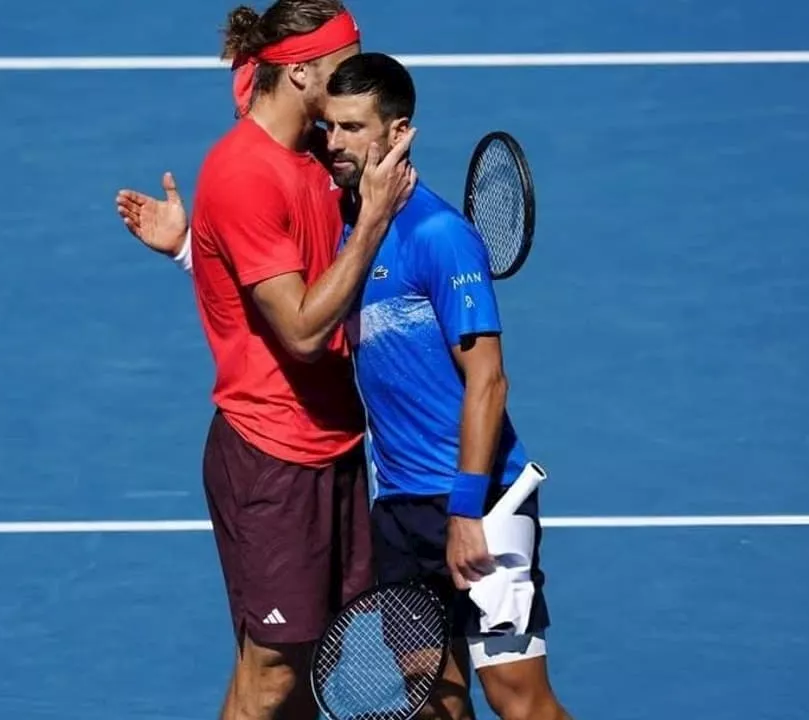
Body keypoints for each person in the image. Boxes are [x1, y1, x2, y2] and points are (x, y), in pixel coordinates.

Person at [118, 4, 417, 720]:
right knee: (274, 671)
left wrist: (198, 251)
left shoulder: (316, 146)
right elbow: (305, 332)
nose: (355, 76)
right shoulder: (244, 174)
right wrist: (372, 218)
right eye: (343, 62)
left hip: (336, 444)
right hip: (272, 458)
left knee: (324, 660)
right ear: (302, 72)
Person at [321, 52, 574, 720]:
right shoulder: (352, 232)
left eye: (351, 127)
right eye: (329, 127)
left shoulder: (440, 236)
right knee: (432, 699)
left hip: (481, 502)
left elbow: (489, 381)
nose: (334, 143)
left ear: (398, 132)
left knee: (516, 698)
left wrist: (466, 512)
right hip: (400, 510)